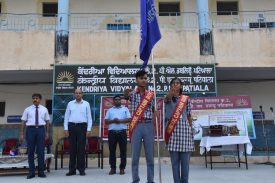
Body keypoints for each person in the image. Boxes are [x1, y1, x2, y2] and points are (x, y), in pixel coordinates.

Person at [124, 70, 155, 183]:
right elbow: (125, 95)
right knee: (135, 157)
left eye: (146, 78)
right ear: (137, 80)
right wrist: (126, 92)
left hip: (148, 125)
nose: (144, 80)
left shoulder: (151, 95)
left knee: (150, 156)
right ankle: (135, 179)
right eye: (141, 78)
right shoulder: (132, 94)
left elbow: (153, 110)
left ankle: (150, 180)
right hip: (136, 126)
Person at [164, 77, 194, 183]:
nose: (175, 84)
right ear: (171, 85)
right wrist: (171, 92)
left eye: (177, 83)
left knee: (185, 163)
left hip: (185, 132)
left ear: (181, 86)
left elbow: (189, 115)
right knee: (175, 163)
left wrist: (191, 129)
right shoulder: (167, 98)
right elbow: (167, 98)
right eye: (173, 83)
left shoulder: (186, 99)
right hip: (173, 133)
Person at [20, 93, 50, 179]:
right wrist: (21, 133)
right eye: (33, 98)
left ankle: (41, 172)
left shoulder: (44, 109)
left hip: (41, 130)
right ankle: (31, 172)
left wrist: (47, 133)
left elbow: (47, 121)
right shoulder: (27, 109)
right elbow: (23, 122)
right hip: (30, 130)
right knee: (30, 152)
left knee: (41, 151)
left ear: (40, 99)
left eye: (36, 98)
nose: (35, 100)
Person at [64, 88, 93, 176]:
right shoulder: (70, 104)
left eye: (79, 93)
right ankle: (71, 170)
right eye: (76, 93)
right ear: (74, 94)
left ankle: (81, 170)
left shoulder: (86, 104)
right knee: (72, 149)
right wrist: (66, 128)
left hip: (82, 127)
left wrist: (89, 129)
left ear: (82, 94)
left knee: (81, 149)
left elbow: (89, 117)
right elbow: (66, 116)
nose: (78, 94)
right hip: (72, 126)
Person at [105, 95, 131, 175]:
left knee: (123, 151)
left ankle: (122, 168)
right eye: (115, 100)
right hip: (112, 133)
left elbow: (129, 119)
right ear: (113, 101)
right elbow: (106, 121)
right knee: (112, 151)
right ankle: (113, 168)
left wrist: (119, 120)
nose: (117, 101)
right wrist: (113, 121)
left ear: (121, 101)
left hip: (122, 132)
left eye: (119, 100)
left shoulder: (125, 109)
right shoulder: (110, 110)